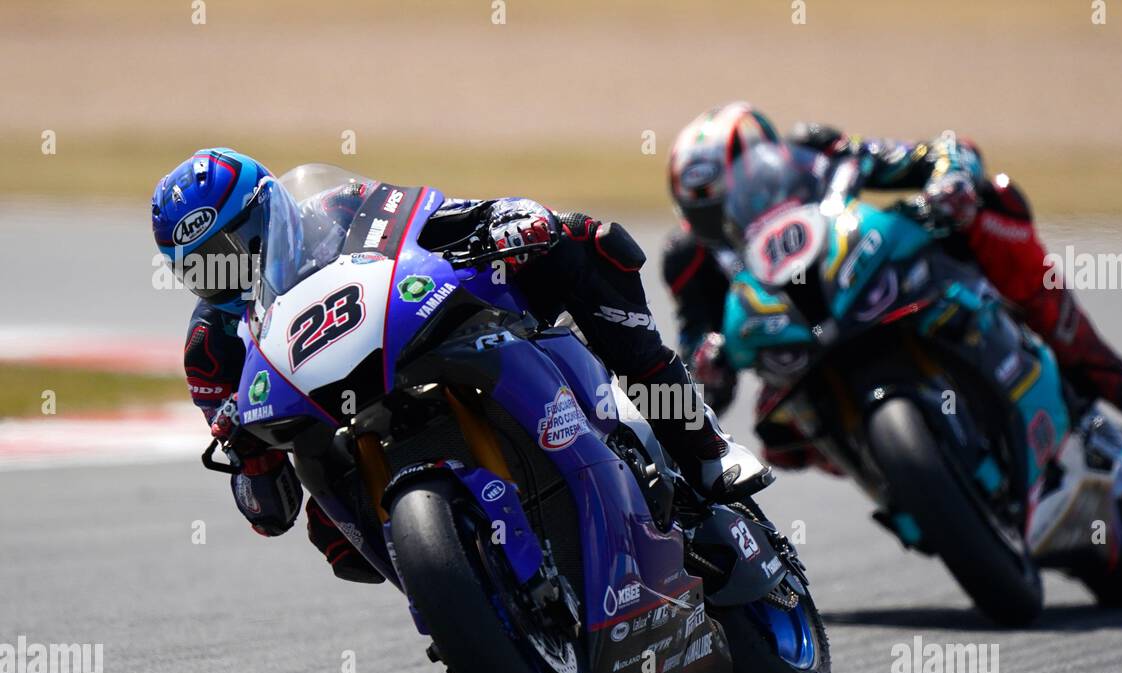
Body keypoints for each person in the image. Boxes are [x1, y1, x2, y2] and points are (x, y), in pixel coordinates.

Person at [152, 148, 770, 582]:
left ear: (274, 210)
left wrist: (505, 220)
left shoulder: (339, 208)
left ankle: (703, 447)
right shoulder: (212, 346)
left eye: (237, 245)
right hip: (345, 425)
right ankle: (468, 589)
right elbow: (268, 514)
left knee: (583, 239)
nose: (229, 271)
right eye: (204, 266)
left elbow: (434, 217)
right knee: (332, 538)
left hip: (412, 337)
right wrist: (246, 456)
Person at [663, 102, 1122, 471]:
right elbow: (691, 360)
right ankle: (907, 486)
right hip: (800, 353)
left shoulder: (821, 156)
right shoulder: (688, 259)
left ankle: (1097, 366)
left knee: (993, 205)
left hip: (872, 283)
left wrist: (951, 181)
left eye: (739, 189)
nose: (728, 214)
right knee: (779, 437)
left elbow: (934, 154)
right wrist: (704, 367)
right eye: (706, 210)